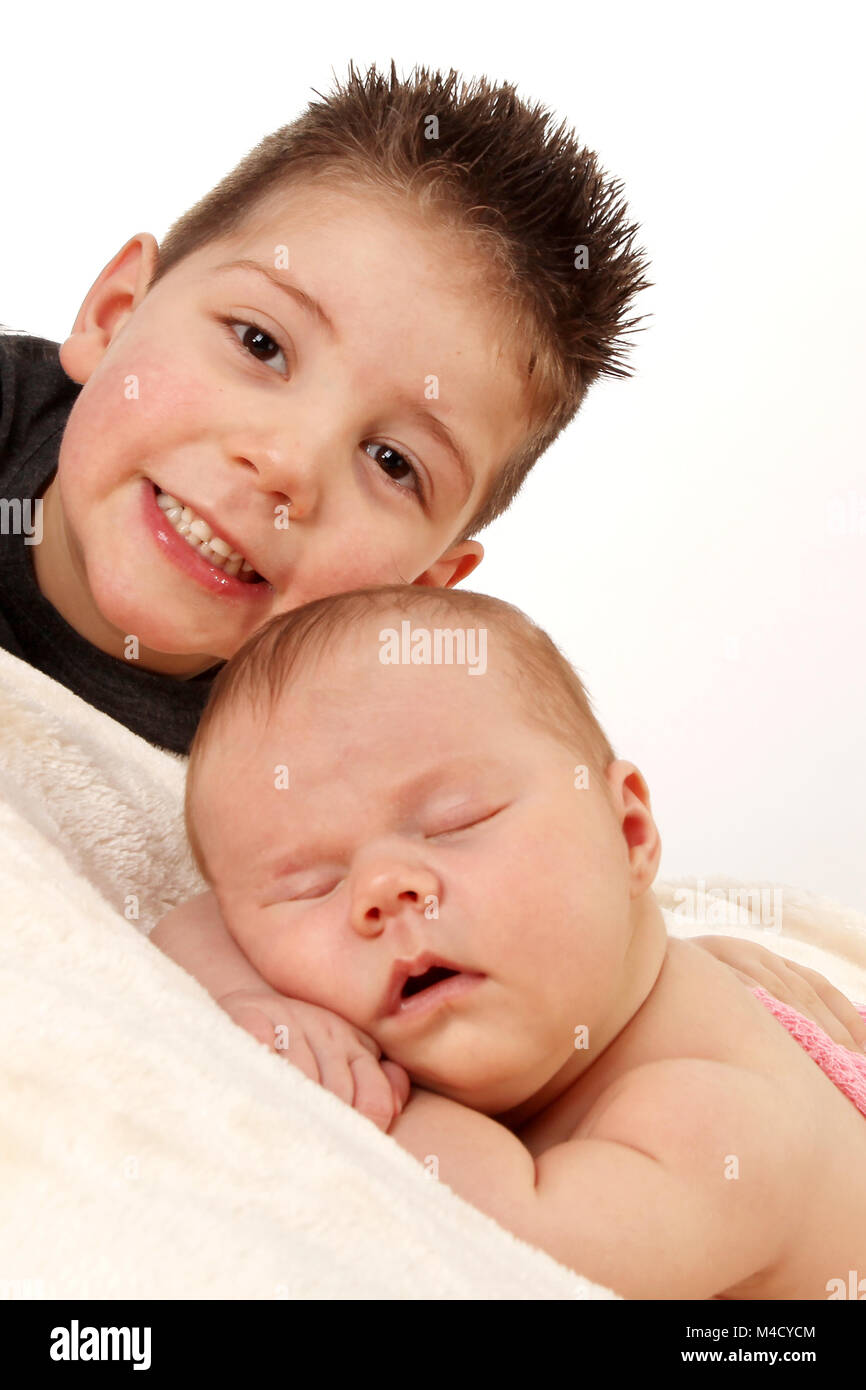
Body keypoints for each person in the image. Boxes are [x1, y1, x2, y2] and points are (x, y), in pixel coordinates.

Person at [153, 585, 866, 1296]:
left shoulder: (713, 1119)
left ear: (629, 836)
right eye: (310, 886)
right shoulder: (595, 1006)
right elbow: (197, 920)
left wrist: (355, 1083)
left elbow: (508, 1247)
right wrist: (248, 997)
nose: (382, 889)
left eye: (455, 823)